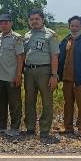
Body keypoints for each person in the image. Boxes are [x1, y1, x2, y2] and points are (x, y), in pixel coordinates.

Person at [23, 10, 60, 143]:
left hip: (45, 71)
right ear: (29, 21)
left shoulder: (50, 35)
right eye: (31, 19)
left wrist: (54, 75)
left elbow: (54, 56)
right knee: (29, 100)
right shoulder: (27, 35)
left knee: (47, 101)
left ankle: (44, 129)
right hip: (29, 72)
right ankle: (30, 127)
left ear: (42, 20)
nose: (34, 21)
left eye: (37, 19)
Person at [58, 16, 81, 137]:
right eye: (72, 26)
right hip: (67, 79)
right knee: (68, 104)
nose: (74, 28)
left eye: (77, 26)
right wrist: (57, 76)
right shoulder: (64, 41)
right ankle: (68, 127)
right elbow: (60, 60)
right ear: (69, 26)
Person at [0, 14, 24, 137]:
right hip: (0, 76)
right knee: (2, 102)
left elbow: (20, 57)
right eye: (1, 23)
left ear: (11, 23)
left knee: (14, 103)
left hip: (12, 76)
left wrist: (18, 75)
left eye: (6, 22)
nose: (3, 25)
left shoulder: (16, 38)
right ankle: (2, 126)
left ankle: (15, 128)